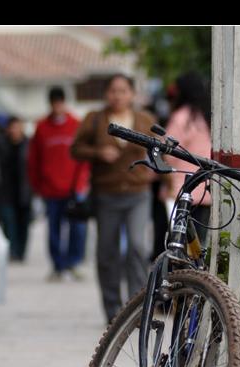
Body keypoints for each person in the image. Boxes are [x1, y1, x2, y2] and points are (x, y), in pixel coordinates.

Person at [71, 74, 157, 324]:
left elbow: (160, 150)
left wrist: (158, 175)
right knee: (106, 251)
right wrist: (98, 152)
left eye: (123, 91)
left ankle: (138, 307)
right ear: (106, 94)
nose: (117, 96)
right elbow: (75, 149)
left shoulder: (144, 119)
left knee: (137, 246)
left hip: (137, 193)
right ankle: (112, 309)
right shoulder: (94, 118)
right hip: (105, 194)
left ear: (132, 94)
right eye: (112, 91)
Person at [27, 87, 89, 280]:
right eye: (54, 103)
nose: (57, 107)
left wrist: (81, 183)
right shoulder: (42, 128)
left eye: (60, 103)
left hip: (74, 188)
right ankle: (58, 266)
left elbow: (83, 158)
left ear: (64, 103)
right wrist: (37, 185)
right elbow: (33, 159)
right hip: (50, 189)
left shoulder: (76, 125)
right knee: (53, 230)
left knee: (78, 228)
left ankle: (73, 263)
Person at [159, 72, 213, 241]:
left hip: (180, 189)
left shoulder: (182, 118)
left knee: (178, 242)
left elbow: (167, 152)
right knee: (199, 244)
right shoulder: (209, 117)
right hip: (206, 188)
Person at [0, 116, 34, 261]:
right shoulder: (1, 144)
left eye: (18, 126)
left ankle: (21, 252)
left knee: (24, 224)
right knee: (9, 222)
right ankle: (12, 250)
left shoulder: (29, 145)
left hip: (24, 191)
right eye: (12, 126)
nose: (15, 130)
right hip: (6, 192)